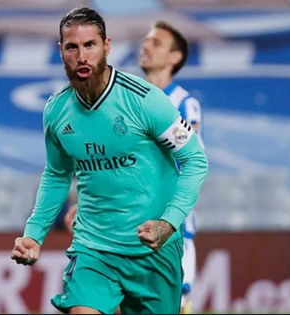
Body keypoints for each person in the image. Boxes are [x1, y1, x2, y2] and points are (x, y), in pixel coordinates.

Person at [11, 7, 208, 315]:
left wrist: (169, 223)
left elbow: (195, 160)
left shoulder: (146, 100)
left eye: (90, 45)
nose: (81, 55)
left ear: (107, 46)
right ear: (60, 51)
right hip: (94, 248)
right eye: (72, 46)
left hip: (153, 252)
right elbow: (57, 174)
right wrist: (34, 234)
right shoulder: (56, 110)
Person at [64, 20, 205, 313]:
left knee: (176, 304)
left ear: (175, 57)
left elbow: (189, 159)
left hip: (164, 227)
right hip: (120, 225)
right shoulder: (124, 98)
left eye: (156, 43)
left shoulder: (182, 103)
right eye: (146, 41)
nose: (146, 46)